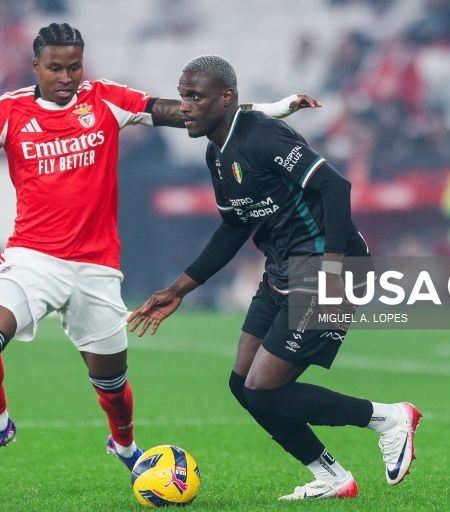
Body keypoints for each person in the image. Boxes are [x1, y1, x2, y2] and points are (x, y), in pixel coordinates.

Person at [0, 23, 319, 479]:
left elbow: (190, 110)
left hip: (96, 268)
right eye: (55, 68)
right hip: (31, 258)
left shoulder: (105, 100)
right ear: (35, 65)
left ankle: (125, 446)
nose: (66, 77)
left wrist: (272, 109)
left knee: (111, 384)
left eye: (74, 67)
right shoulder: (7, 112)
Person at [128, 55, 421, 500]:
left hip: (329, 269)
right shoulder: (216, 153)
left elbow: (335, 186)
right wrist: (180, 288)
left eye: (195, 96)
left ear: (227, 97)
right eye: (182, 96)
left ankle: (389, 418)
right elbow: (234, 227)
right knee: (242, 385)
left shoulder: (262, 135)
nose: (184, 106)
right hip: (282, 271)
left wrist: (333, 267)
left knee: (264, 389)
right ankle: (332, 477)